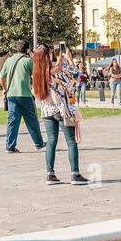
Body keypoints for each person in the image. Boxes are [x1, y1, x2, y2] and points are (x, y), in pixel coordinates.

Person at [36, 43, 86, 186]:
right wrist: (69, 60)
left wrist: (59, 59)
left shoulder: (38, 73)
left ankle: (50, 174)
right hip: (62, 110)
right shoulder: (57, 70)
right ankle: (75, 174)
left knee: (51, 141)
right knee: (71, 142)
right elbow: (75, 78)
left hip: (47, 111)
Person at [0, 39, 43, 153]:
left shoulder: (8, 60)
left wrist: (4, 89)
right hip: (24, 95)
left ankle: (10, 146)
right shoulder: (28, 61)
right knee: (31, 120)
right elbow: (36, 75)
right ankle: (38, 143)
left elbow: (2, 76)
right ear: (27, 49)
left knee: (12, 121)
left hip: (11, 95)